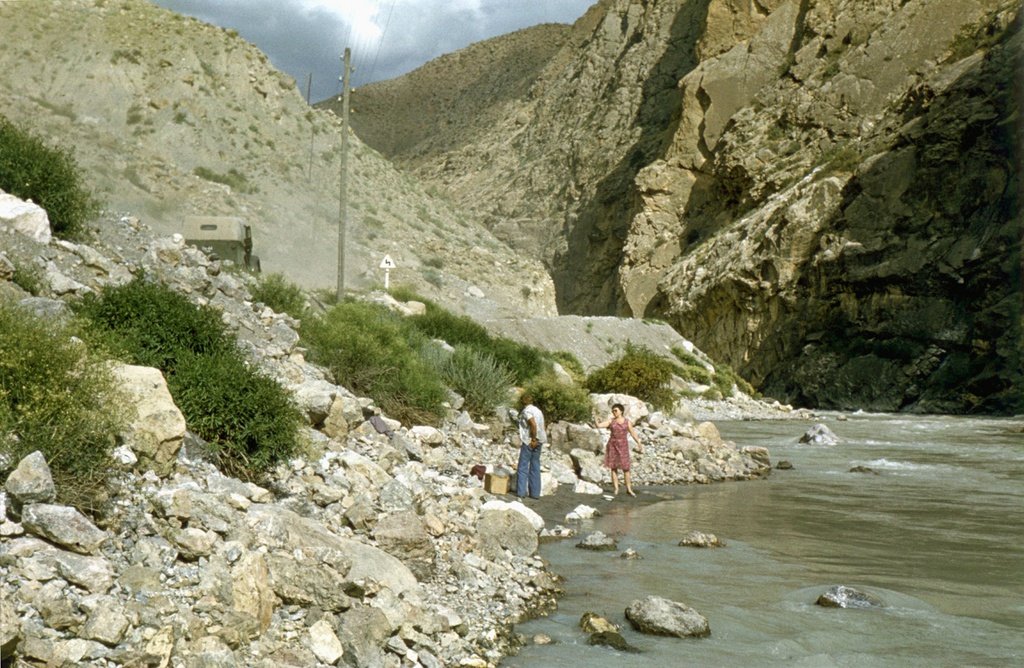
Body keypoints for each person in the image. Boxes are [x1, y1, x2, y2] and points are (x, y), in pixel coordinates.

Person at [594, 403, 643, 497]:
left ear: (621, 411)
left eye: (615, 411)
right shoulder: (611, 421)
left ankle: (629, 489)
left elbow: (632, 433)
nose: (614, 413)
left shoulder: (627, 422)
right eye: (613, 411)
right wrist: (595, 416)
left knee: (626, 468)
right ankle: (616, 489)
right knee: (613, 467)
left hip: (623, 445)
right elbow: (599, 425)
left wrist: (638, 442)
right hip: (612, 444)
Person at [515, 393, 546, 499]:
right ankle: (535, 493)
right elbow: (542, 425)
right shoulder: (538, 411)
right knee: (535, 465)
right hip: (540, 440)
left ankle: (521, 492)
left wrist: (533, 439)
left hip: (530, 440)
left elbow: (533, 424)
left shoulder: (526, 411)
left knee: (523, 466)